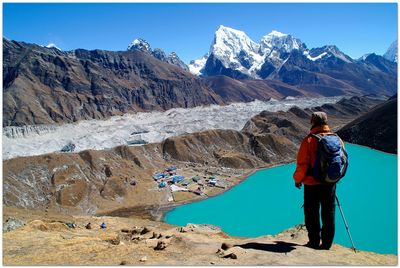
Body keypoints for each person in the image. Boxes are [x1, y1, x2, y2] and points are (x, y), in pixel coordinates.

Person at [293, 111, 336, 250]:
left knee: (312, 213)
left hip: (312, 184)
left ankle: (314, 242)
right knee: (328, 212)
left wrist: (298, 179)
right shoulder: (336, 139)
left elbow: (302, 164)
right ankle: (327, 244)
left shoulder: (309, 140)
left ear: (313, 122)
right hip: (329, 183)